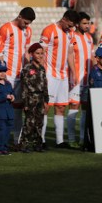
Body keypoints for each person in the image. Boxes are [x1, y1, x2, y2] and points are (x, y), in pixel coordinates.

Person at [39, 9, 79, 148]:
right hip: (50, 74)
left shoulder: (71, 33)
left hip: (63, 75)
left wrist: (73, 73)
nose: (70, 28)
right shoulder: (49, 30)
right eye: (69, 25)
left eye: (73, 26)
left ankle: (59, 141)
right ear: (64, 18)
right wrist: (42, 73)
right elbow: (41, 53)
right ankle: (41, 140)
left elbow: (70, 53)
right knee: (45, 107)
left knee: (61, 107)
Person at [0, 6, 36, 147]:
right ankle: (1, 139)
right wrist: (2, 74)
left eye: (29, 23)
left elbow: (26, 52)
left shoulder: (28, 31)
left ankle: (16, 140)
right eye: (25, 22)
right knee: (4, 108)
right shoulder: (5, 29)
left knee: (18, 108)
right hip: (7, 75)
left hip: (20, 75)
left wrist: (27, 70)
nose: (27, 26)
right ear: (19, 16)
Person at [69, 12, 94, 148]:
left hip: (87, 79)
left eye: (88, 23)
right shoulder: (71, 37)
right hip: (76, 79)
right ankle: (71, 139)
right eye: (84, 23)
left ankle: (83, 139)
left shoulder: (89, 38)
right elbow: (69, 56)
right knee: (74, 107)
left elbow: (92, 57)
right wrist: (73, 75)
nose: (87, 26)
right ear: (77, 24)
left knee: (85, 109)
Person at [20, 43, 48, 152]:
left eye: (42, 53)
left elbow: (45, 85)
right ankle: (24, 144)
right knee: (29, 123)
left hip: (40, 98)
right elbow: (24, 87)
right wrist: (25, 103)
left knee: (39, 123)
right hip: (31, 98)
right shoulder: (27, 68)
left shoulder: (42, 68)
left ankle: (38, 144)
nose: (40, 56)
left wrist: (46, 100)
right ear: (32, 54)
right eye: (37, 53)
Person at [0, 61, 14, 156]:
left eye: (4, 71)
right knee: (1, 129)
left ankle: (4, 147)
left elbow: (12, 92)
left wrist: (13, 96)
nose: (2, 73)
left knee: (8, 129)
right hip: (0, 111)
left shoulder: (8, 83)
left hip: (9, 111)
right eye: (0, 71)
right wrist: (5, 97)